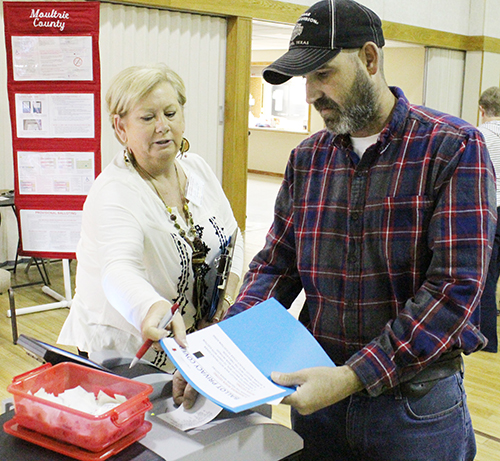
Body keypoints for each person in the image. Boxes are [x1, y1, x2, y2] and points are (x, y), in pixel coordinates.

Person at [177, 1, 496, 459]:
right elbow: (275, 268)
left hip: (415, 411)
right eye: (305, 79)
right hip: (318, 402)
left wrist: (352, 377)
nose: (309, 94)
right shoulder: (308, 160)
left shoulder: (452, 148)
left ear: (369, 59)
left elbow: (454, 291)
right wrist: (217, 354)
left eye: (322, 74)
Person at [58, 63, 243, 369]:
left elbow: (232, 238)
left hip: (190, 344)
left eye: (170, 113)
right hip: (126, 354)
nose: (162, 126)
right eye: (147, 118)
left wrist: (225, 302)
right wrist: (149, 307)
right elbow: (119, 268)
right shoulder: (114, 190)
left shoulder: (197, 170)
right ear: (121, 128)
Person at [477, 86, 500, 353]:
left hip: (492, 210)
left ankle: (487, 341)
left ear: (481, 110)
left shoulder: (478, 136)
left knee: (487, 277)